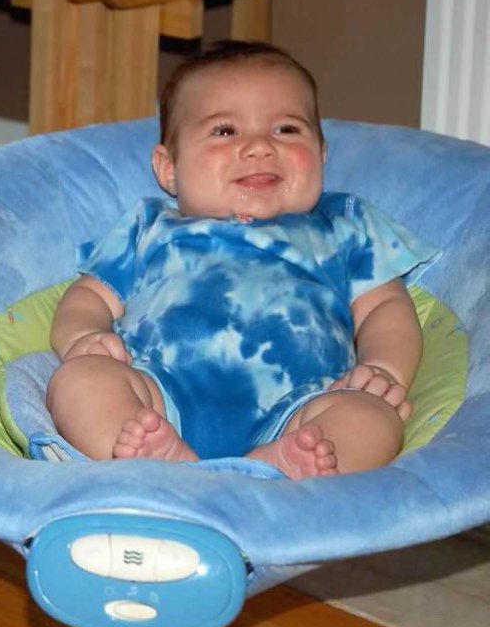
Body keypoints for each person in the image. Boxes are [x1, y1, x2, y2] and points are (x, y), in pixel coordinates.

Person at [46, 41, 438, 479]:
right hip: (157, 395)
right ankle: (152, 463)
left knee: (375, 419)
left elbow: (386, 308)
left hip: (303, 407)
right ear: (169, 167)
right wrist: (84, 336)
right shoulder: (149, 226)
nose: (259, 147)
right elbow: (88, 295)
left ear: (322, 152)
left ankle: (277, 469)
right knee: (78, 382)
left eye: (286, 130)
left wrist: (383, 370)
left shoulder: (344, 224)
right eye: (225, 131)